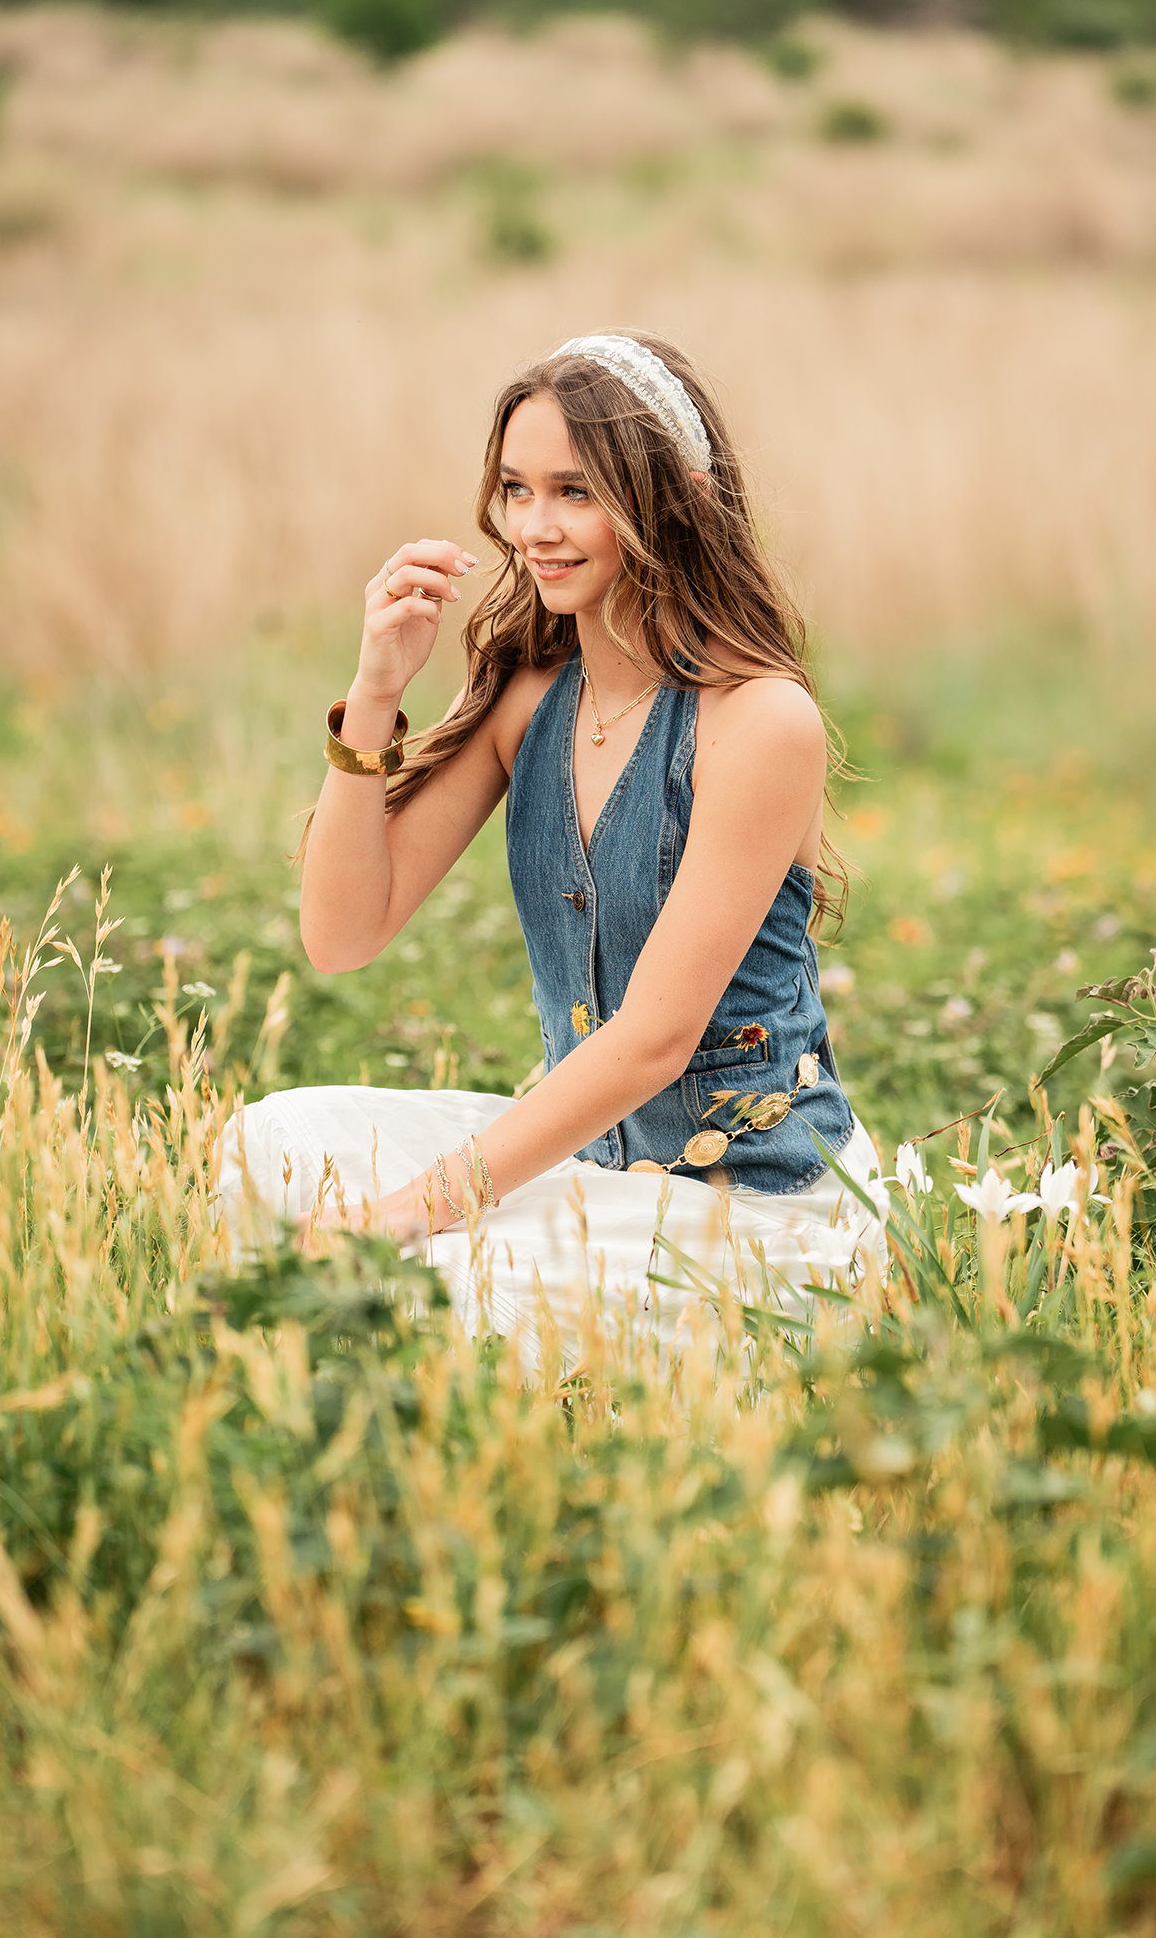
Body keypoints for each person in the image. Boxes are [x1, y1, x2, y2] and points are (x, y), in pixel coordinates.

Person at [217, 332, 882, 1343]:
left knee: (433, 1283)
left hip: (751, 1205)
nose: (536, 526)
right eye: (517, 490)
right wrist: (376, 691)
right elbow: (341, 934)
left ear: (680, 496)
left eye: (576, 491)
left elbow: (654, 1040)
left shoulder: (758, 720)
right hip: (596, 1167)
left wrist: (400, 1212)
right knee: (265, 1142)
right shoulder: (533, 697)